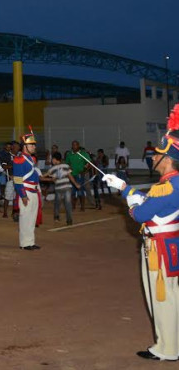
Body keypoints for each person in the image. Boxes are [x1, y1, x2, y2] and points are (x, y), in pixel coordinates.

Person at [105, 104, 179, 361]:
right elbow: (148, 201)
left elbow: (140, 214)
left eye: (157, 156)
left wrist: (127, 198)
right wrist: (125, 187)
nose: (153, 158)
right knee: (171, 297)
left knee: (162, 301)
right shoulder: (171, 184)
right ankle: (172, 344)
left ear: (167, 159)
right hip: (170, 245)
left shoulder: (167, 187)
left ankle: (167, 349)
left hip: (158, 249)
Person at [14, 131, 42, 250]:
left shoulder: (31, 159)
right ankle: (24, 243)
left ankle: (30, 241)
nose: (34, 147)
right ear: (24, 146)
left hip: (34, 191)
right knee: (25, 218)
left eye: (34, 145)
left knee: (32, 218)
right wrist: (23, 195)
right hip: (26, 192)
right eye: (31, 145)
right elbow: (18, 180)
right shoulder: (19, 159)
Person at [42, 152, 78, 226]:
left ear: (55, 159)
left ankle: (56, 217)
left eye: (52, 159)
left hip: (58, 188)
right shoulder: (66, 166)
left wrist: (41, 177)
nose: (52, 160)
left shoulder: (53, 168)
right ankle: (69, 220)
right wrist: (76, 184)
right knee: (68, 204)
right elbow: (70, 176)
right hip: (67, 187)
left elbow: (45, 175)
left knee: (57, 203)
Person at [65, 141, 93, 211]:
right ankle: (73, 206)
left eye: (75, 145)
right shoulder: (69, 154)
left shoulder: (83, 153)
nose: (74, 146)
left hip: (80, 175)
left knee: (80, 191)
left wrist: (85, 171)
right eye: (73, 145)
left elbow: (90, 163)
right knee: (72, 192)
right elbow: (67, 163)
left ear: (78, 145)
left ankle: (82, 207)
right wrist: (69, 167)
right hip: (71, 175)